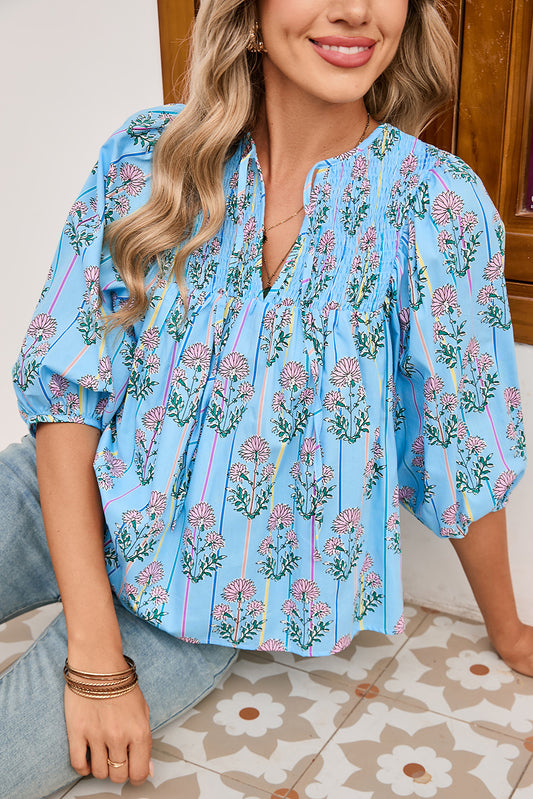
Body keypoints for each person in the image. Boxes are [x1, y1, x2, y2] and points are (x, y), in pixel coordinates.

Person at [1, 0, 531, 796]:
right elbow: (70, 393)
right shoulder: (149, 154)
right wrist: (92, 649)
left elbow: (458, 444)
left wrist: (509, 629)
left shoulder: (435, 205)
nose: (353, 9)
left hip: (201, 601)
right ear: (249, 13)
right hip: (61, 498)